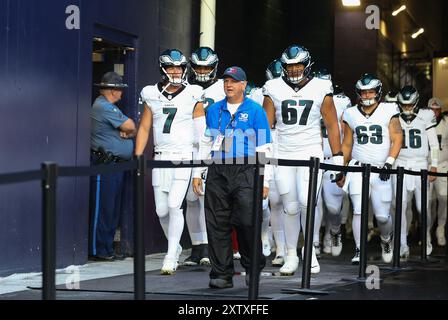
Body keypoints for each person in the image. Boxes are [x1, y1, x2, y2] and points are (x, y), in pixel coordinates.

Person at [263, 45, 343, 275]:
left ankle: (309, 251)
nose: (294, 69)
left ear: (307, 65)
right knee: (289, 207)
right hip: (283, 154)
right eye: (289, 66)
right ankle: (290, 254)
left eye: (298, 65)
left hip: (310, 153)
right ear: (283, 67)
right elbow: (265, 127)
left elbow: (331, 124)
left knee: (308, 203)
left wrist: (338, 159)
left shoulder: (320, 87)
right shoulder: (273, 87)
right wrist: (262, 161)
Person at [192, 66, 272, 289]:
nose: (229, 85)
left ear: (244, 85)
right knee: (217, 222)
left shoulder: (256, 110)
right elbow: (207, 142)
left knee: (247, 221)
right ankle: (221, 273)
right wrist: (198, 172)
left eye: (234, 81)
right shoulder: (214, 110)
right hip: (218, 169)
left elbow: (265, 146)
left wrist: (265, 180)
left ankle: (253, 265)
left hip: (246, 170)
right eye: (226, 81)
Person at [135, 49, 206, 275]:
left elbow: (201, 136)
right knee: (161, 211)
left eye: (179, 68)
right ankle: (174, 247)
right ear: (163, 69)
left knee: (176, 205)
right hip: (161, 156)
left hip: (184, 156)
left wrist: (198, 170)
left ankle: (170, 255)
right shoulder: (151, 94)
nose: (176, 72)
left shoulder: (194, 94)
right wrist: (138, 156)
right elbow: (145, 127)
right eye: (171, 67)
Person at [338, 73, 403, 264]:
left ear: (378, 92)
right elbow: (347, 144)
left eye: (370, 92)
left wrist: (389, 162)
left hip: (381, 168)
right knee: (358, 209)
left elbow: (397, 138)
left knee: (382, 216)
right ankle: (359, 250)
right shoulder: (350, 113)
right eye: (363, 93)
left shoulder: (389, 109)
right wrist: (341, 168)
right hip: (358, 168)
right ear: (358, 94)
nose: (367, 96)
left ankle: (386, 239)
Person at [181, 47, 224, 266]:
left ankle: (208, 246)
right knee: (190, 199)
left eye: (207, 67)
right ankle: (196, 247)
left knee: (207, 198)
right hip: (188, 146)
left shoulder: (222, 88)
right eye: (198, 66)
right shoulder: (186, 86)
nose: (202, 70)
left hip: (210, 146)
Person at [89, 71, 136, 261]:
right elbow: (130, 126)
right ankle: (98, 250)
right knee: (103, 209)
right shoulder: (103, 106)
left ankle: (107, 248)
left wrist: (128, 131)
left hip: (116, 165)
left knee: (112, 210)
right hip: (104, 163)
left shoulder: (110, 107)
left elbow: (131, 128)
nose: (121, 93)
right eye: (119, 89)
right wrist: (127, 131)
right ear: (112, 90)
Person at [393, 86, 439, 259]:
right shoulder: (393, 115)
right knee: (401, 206)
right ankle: (402, 243)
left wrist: (433, 165)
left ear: (416, 102)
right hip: (400, 164)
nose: (407, 108)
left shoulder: (426, 116)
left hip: (420, 164)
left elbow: (434, 144)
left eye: (410, 105)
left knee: (423, 207)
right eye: (403, 105)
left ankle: (426, 238)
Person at [319, 79, 352, 257]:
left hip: (333, 157)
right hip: (314, 157)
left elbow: (347, 135)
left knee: (333, 207)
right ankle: (315, 240)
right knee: (311, 204)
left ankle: (334, 231)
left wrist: (344, 161)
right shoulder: (308, 98)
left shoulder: (342, 102)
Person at [428, 97, 448, 247]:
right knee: (428, 202)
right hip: (426, 166)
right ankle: (427, 230)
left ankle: (440, 228)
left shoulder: (446, 123)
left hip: (443, 165)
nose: (434, 112)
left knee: (444, 198)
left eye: (437, 109)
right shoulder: (422, 123)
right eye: (432, 109)